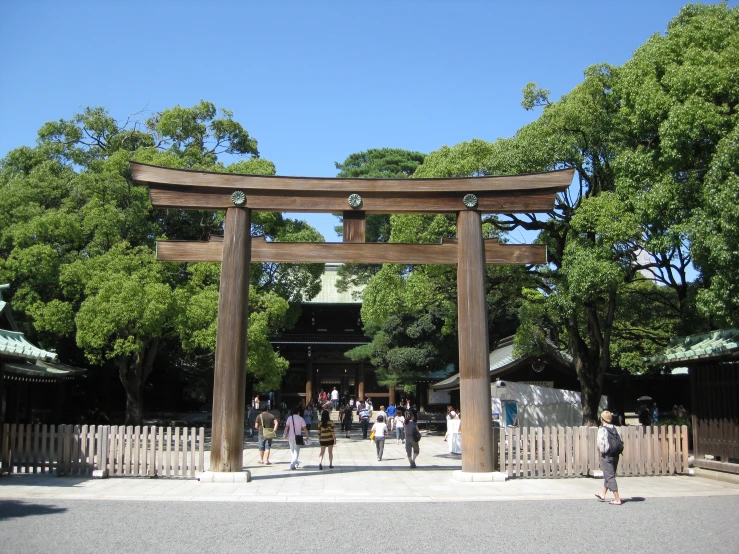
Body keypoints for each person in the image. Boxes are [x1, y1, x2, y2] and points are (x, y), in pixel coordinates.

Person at [595, 410, 623, 505]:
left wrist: (602, 452)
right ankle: (603, 494)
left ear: (602, 419)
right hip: (616, 454)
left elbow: (601, 443)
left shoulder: (602, 429)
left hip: (607, 455)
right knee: (610, 474)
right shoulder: (616, 428)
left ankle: (617, 499)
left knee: (609, 476)